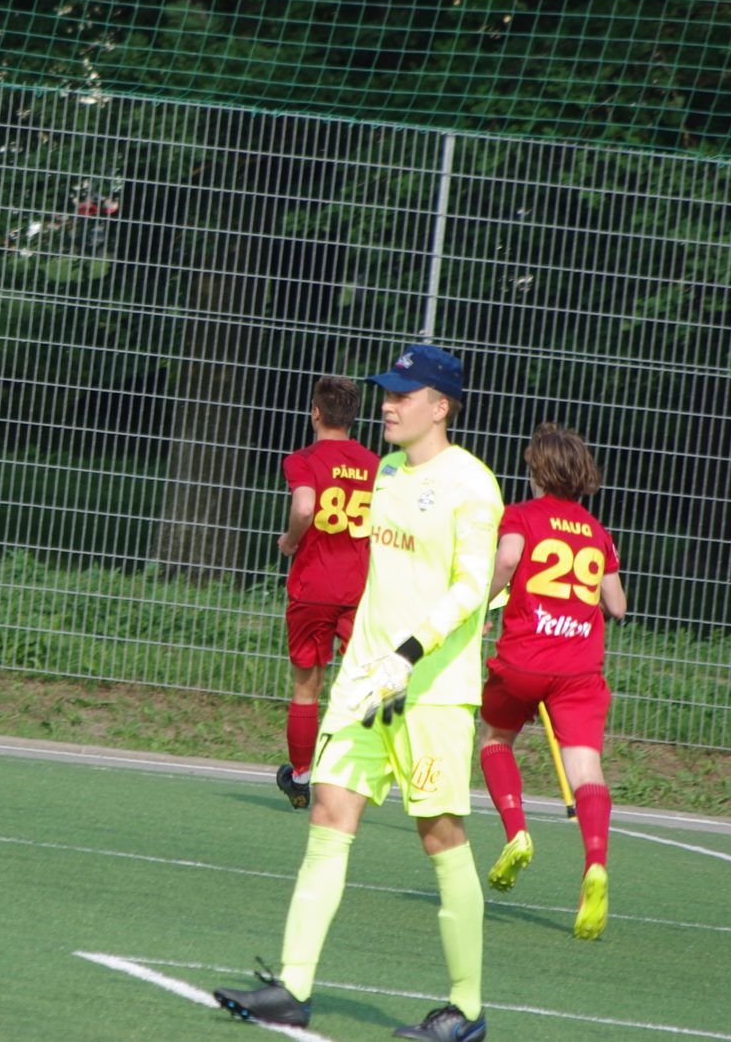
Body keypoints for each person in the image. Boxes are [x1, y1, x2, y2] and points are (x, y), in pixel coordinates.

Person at [215, 343, 502, 1042]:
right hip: (366, 684)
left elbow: (473, 585)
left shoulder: (472, 483)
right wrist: (369, 660)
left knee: (440, 834)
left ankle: (466, 1010)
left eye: (403, 394)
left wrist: (409, 653)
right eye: (387, 393)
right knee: (327, 812)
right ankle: (292, 987)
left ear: (441, 406)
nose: (388, 404)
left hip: (432, 691)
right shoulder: (386, 471)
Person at [477, 423, 627, 941]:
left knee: (495, 739)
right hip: (579, 670)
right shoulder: (597, 531)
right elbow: (617, 604)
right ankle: (595, 863)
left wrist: (480, 603)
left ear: (538, 472)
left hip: (524, 659)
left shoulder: (521, 515)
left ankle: (517, 832)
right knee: (586, 768)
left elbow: (507, 559)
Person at [274, 375, 379, 809]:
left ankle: (301, 776)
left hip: (313, 584)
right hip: (360, 587)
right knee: (363, 685)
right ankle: (356, 770)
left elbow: (304, 507)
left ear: (316, 413)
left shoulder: (303, 459)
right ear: (352, 417)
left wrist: (290, 541)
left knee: (307, 687)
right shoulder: (376, 464)